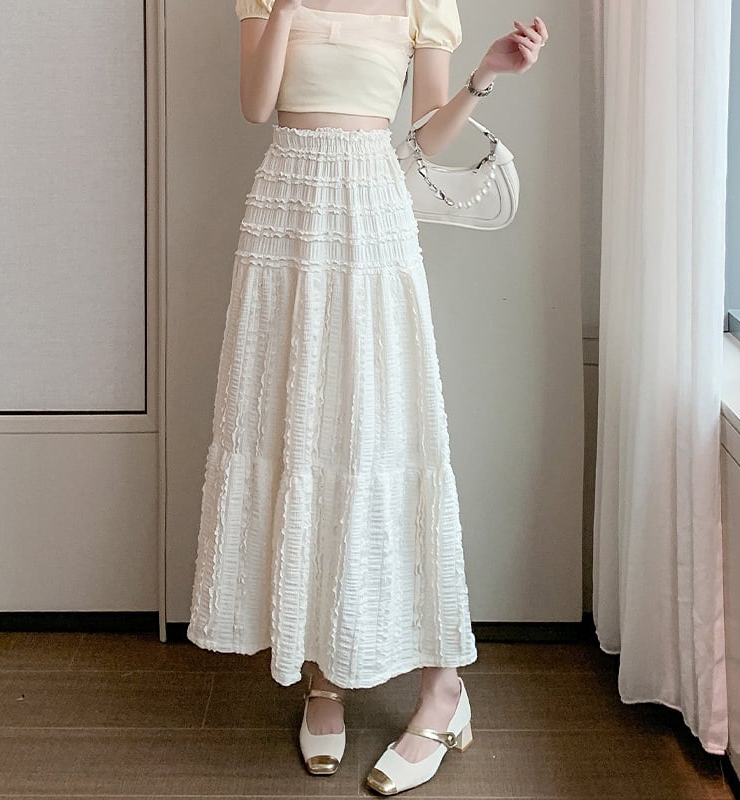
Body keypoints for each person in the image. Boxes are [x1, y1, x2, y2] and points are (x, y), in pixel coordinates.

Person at [186, 0, 548, 794]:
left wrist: (485, 75)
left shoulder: (423, 5)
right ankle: (324, 678)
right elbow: (255, 106)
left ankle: (443, 688)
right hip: (285, 210)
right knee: (296, 432)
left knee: (381, 436)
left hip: (372, 212)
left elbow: (424, 137)